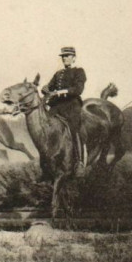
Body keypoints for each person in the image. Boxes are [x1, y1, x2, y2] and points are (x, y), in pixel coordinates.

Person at [41, 47, 86, 175]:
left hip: (72, 105)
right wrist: (45, 89)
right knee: (44, 125)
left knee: (74, 129)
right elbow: (49, 86)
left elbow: (78, 89)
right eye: (63, 56)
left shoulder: (79, 71)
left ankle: (79, 162)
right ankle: (45, 162)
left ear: (74, 57)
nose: (64, 58)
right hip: (57, 106)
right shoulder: (58, 74)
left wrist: (60, 92)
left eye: (67, 56)